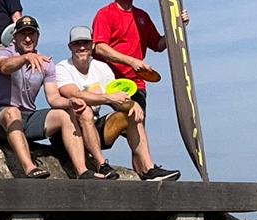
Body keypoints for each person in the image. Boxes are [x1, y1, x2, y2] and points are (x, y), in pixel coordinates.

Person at [0, 16, 118, 180]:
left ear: (38, 36)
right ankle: (30, 168)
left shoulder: (46, 63)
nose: (28, 38)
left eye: (32, 34)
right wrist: (25, 58)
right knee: (12, 112)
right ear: (15, 37)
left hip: (27, 117)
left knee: (65, 114)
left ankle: (82, 171)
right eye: (23, 34)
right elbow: (3, 66)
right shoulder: (4, 52)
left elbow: (53, 98)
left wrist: (70, 102)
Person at [90, 0, 185, 183]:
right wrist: (130, 60)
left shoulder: (141, 16)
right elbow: (99, 47)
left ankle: (143, 171)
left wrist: (177, 26)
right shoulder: (105, 14)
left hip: (138, 83)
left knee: (136, 123)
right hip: (112, 80)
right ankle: (149, 168)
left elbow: (159, 44)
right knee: (135, 116)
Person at [54, 25, 178, 182]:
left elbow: (116, 96)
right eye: (77, 44)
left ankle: (148, 169)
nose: (82, 47)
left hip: (95, 128)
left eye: (85, 43)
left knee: (131, 114)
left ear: (92, 45)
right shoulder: (62, 68)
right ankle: (101, 165)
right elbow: (75, 94)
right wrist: (109, 98)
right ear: (70, 47)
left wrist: (131, 104)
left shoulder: (101, 68)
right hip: (71, 130)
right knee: (84, 111)